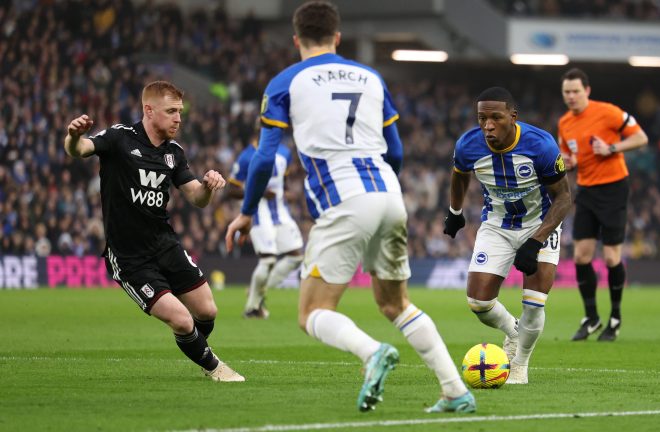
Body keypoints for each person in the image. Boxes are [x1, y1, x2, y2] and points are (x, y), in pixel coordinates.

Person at [225, 1, 474, 413]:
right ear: (337, 37)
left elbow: (265, 158)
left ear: (296, 39)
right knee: (396, 303)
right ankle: (455, 390)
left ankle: (373, 352)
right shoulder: (371, 77)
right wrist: (385, 187)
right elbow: (395, 149)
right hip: (389, 196)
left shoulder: (285, 82)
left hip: (343, 199)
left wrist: (248, 211)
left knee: (312, 312)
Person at [64, 81, 244, 382]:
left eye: (180, 112)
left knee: (207, 311)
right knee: (182, 319)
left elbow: (196, 198)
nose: (178, 118)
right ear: (149, 110)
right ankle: (214, 367)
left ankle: (194, 346)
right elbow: (80, 149)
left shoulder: (174, 152)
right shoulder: (119, 138)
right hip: (130, 257)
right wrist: (73, 136)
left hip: (165, 245)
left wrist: (208, 186)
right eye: (171, 111)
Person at [443, 87, 572, 385]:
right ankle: (514, 331)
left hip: (539, 224)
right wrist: (455, 211)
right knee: (478, 302)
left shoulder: (540, 145)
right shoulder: (467, 146)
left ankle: (519, 365)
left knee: (534, 301)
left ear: (513, 117)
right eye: (482, 118)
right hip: (497, 224)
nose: (488, 125)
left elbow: (564, 198)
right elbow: (459, 174)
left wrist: (536, 240)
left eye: (496, 118)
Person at [558, 68, 648, 342]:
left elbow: (641, 138)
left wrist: (611, 149)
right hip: (586, 189)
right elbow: (567, 155)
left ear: (587, 90)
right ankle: (591, 317)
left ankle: (615, 318)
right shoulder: (564, 123)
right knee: (581, 257)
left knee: (611, 257)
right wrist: (569, 163)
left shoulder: (608, 112)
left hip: (614, 188)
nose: (571, 96)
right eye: (566, 92)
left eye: (575, 91)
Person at [227, 137, 304, 319]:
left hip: (281, 212)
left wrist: (286, 193)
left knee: (297, 257)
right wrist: (258, 192)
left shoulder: (284, 152)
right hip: (258, 213)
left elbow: (282, 182)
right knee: (268, 260)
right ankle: (252, 308)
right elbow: (232, 190)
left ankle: (257, 290)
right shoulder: (247, 156)